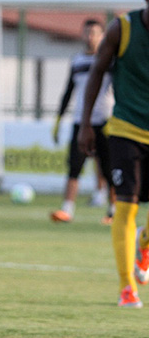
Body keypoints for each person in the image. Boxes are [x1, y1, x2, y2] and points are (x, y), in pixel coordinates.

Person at [79, 0, 149, 308]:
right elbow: (97, 73)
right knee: (126, 206)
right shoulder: (122, 29)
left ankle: (143, 244)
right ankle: (127, 287)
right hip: (125, 130)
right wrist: (85, 124)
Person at [50, 19, 115, 225]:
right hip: (81, 122)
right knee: (74, 166)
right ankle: (67, 209)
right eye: (87, 32)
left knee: (110, 168)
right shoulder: (77, 61)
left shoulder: (110, 60)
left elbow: (121, 89)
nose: (90, 37)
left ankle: (113, 211)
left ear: (102, 36)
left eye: (94, 33)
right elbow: (68, 92)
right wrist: (58, 120)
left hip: (104, 121)